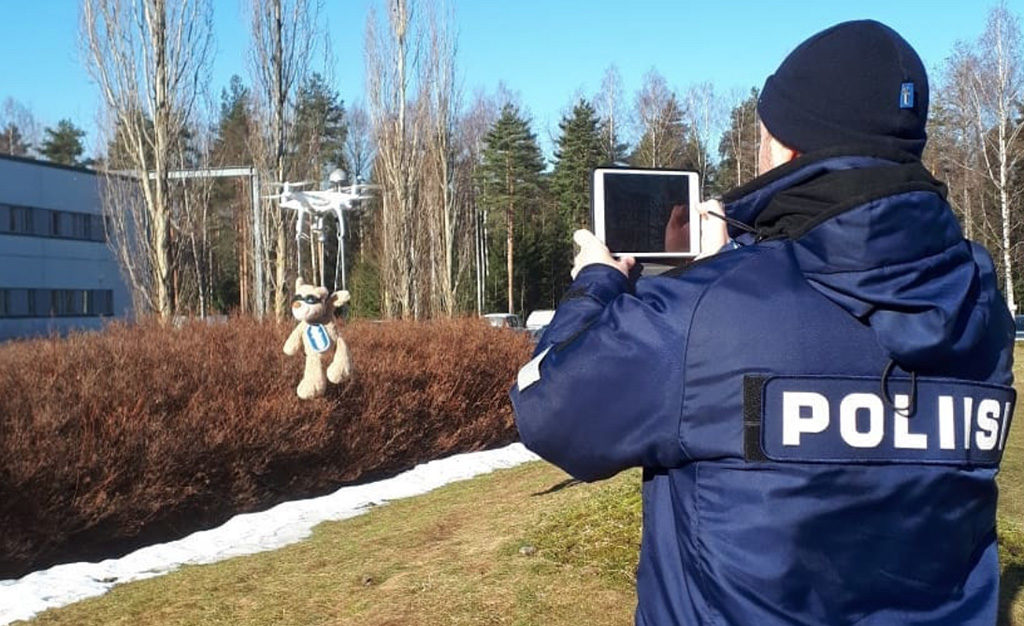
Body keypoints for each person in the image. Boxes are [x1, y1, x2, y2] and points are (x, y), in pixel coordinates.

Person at [510, 19, 1016, 626]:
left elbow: (547, 408)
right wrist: (734, 267)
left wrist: (599, 282)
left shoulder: (705, 316)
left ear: (786, 146)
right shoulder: (980, 302)